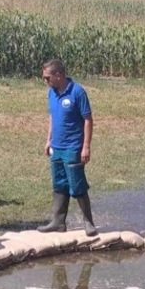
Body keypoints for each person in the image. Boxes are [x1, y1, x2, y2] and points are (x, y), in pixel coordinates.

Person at [37, 59, 97, 235]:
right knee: (59, 184)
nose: (45, 82)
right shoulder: (51, 93)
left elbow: (88, 119)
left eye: (47, 78)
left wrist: (86, 146)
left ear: (58, 75)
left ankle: (88, 222)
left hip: (73, 147)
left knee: (77, 185)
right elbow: (52, 118)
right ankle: (58, 222)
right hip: (57, 147)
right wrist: (48, 140)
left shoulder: (77, 92)